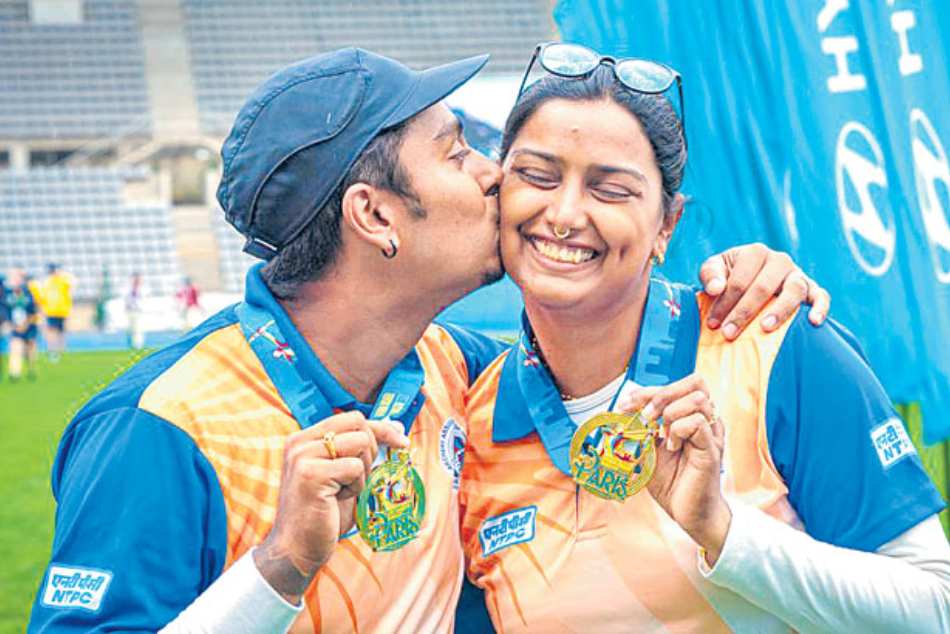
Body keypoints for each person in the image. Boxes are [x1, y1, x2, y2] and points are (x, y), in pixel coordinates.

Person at [29, 48, 829, 633]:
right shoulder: (160, 428)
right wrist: (280, 566)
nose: (493, 174)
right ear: (375, 215)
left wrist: (746, 278)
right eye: (457, 151)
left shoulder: (453, 369)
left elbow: (593, 337)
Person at [459, 43, 949, 632]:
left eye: (610, 190)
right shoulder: (469, 417)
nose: (564, 215)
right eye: (537, 176)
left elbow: (936, 608)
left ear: (666, 225)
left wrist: (722, 529)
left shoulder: (772, 345)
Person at [6, 268, 40, 381]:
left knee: (29, 350)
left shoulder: (28, 294)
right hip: (15, 327)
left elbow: (33, 312)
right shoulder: (8, 294)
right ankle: (14, 373)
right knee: (15, 347)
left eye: (17, 278)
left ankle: (31, 368)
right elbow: (6, 311)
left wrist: (25, 325)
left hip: (29, 326)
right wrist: (12, 325)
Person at [39, 262, 74, 362]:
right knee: (52, 331)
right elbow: (42, 297)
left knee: (61, 332)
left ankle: (61, 350)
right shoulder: (47, 282)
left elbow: (71, 284)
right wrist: (42, 310)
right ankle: (52, 350)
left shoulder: (63, 280)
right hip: (51, 311)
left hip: (62, 311)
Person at [124, 272, 145, 349]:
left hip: (137, 311)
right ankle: (130, 344)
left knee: (137, 328)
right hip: (129, 311)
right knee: (129, 329)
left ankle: (138, 344)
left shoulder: (141, 289)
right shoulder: (128, 289)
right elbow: (126, 299)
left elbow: (141, 300)